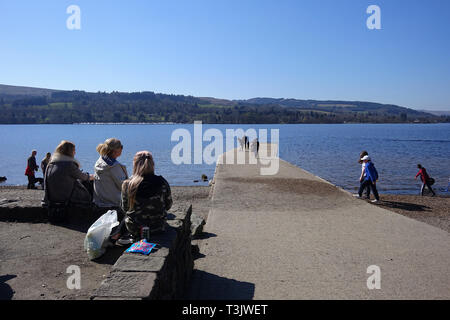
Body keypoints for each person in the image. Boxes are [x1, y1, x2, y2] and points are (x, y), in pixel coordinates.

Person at [120, 151, 172, 243]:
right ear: (152, 164)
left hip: (135, 228)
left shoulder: (128, 184)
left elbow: (125, 208)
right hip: (158, 226)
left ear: (135, 165)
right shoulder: (162, 182)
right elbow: (168, 205)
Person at [43, 140, 94, 207]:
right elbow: (84, 177)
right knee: (88, 182)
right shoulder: (69, 165)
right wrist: (94, 176)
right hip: (66, 198)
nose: (75, 152)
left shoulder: (51, 164)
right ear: (69, 152)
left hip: (52, 198)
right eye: (74, 150)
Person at [93, 138, 128, 213]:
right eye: (121, 146)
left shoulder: (100, 161)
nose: (122, 148)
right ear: (116, 150)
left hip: (100, 201)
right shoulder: (114, 167)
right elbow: (124, 186)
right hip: (114, 202)